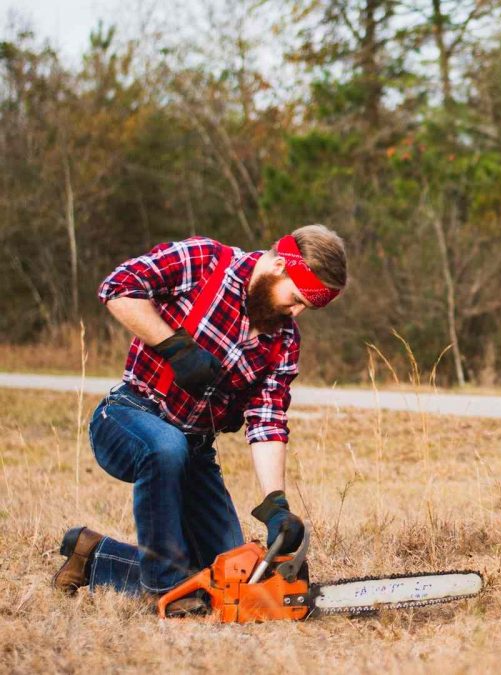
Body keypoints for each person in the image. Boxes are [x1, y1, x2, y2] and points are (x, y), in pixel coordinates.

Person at [51, 225, 348, 607]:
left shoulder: (284, 340)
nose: (296, 312)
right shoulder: (206, 262)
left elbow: (268, 419)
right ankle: (164, 592)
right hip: (128, 416)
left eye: (308, 307)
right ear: (278, 266)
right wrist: (174, 346)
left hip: (195, 450)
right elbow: (118, 287)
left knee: (228, 581)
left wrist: (276, 503)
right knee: (166, 446)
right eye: (295, 298)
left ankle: (92, 556)